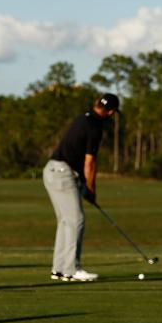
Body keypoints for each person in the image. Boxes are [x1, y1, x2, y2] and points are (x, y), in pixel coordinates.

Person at [43, 93, 119, 282]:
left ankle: (59, 268)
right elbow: (90, 162)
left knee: (65, 221)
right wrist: (91, 188)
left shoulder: (82, 118)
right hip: (62, 172)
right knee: (76, 220)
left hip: (51, 170)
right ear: (110, 112)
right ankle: (71, 269)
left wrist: (83, 186)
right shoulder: (95, 126)